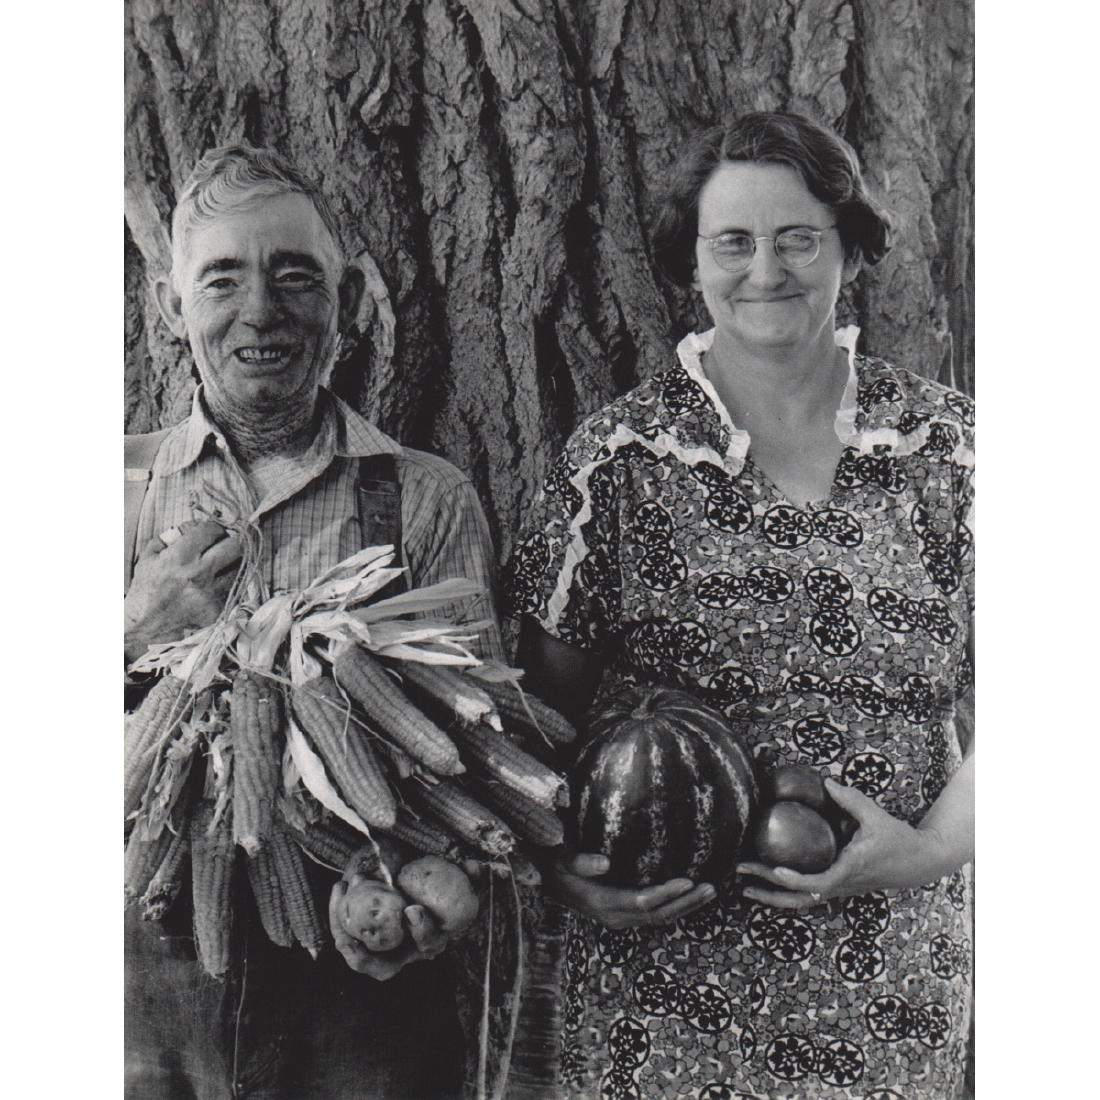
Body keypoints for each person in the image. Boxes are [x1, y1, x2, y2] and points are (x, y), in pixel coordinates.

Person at [508, 111, 974, 1099]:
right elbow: (531, 721)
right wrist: (560, 871)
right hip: (659, 988)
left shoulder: (952, 453)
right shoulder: (616, 464)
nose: (764, 267)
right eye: (732, 241)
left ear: (848, 244)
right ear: (692, 262)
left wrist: (927, 847)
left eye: (796, 235)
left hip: (885, 981)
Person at [124, 143, 504, 1099]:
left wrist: (429, 889)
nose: (262, 309)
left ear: (347, 297)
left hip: (356, 979)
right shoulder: (100, 493)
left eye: (296, 275)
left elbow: (479, 751)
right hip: (134, 982)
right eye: (224, 278)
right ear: (173, 308)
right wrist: (132, 631)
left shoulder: (424, 501)